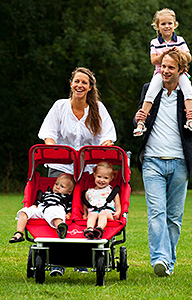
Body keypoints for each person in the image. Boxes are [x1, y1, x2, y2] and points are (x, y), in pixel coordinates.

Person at [133, 49, 192, 277]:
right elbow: (140, 117)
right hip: (152, 161)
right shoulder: (150, 90)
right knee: (157, 213)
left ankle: (169, 262)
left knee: (174, 218)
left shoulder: (191, 94)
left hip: (180, 163)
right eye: (163, 66)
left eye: (171, 68)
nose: (165, 71)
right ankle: (160, 260)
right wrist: (137, 119)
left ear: (181, 71)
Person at [38, 67, 117, 274]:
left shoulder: (98, 109)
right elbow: (48, 133)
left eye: (84, 83)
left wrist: (104, 146)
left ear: (90, 87)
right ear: (71, 84)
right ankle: (57, 262)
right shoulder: (60, 106)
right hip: (61, 168)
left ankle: (83, 260)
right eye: (76, 81)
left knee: (83, 212)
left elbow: (107, 137)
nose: (79, 85)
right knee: (58, 210)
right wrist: (53, 149)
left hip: (87, 170)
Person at [133, 8, 192, 137]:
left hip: (180, 73)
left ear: (174, 24)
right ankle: (141, 122)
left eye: (170, 23)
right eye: (163, 24)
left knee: (188, 91)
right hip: (160, 72)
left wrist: (179, 53)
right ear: (157, 26)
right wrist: (165, 53)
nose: (167, 26)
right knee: (150, 93)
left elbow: (189, 57)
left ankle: (190, 119)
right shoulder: (155, 42)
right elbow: (153, 60)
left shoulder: (179, 40)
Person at [9, 173, 75, 243]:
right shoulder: (48, 192)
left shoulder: (67, 197)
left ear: (69, 191)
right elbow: (39, 200)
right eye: (56, 184)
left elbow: (69, 207)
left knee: (56, 214)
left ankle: (61, 228)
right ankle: (19, 233)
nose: (57, 187)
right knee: (24, 212)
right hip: (41, 207)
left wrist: (69, 214)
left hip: (55, 207)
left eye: (62, 186)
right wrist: (35, 205)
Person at [83, 162, 121, 239]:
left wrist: (118, 212)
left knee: (103, 213)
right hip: (94, 211)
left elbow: (117, 204)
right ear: (94, 175)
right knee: (92, 215)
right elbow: (86, 204)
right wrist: (85, 214)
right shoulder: (89, 192)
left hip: (108, 212)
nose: (102, 180)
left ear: (111, 178)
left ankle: (99, 229)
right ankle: (89, 229)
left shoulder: (112, 191)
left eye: (105, 178)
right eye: (99, 176)